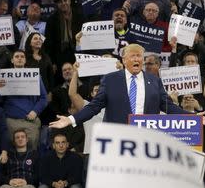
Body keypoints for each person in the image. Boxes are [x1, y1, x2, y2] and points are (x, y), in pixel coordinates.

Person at [49, 44, 194, 129]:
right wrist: (70, 120)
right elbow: (93, 107)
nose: (137, 59)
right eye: (133, 56)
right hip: (118, 139)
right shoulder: (110, 80)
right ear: (124, 60)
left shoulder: (154, 81)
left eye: (139, 56)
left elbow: (168, 106)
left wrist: (192, 118)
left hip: (146, 137)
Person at [0, 50, 48, 151]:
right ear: (12, 60)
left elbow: (44, 98)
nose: (19, 58)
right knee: (9, 152)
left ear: (25, 60)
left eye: (22, 56)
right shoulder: (4, 77)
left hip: (30, 121)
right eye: (17, 56)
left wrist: (35, 111)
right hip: (10, 121)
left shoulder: (35, 76)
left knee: (31, 152)